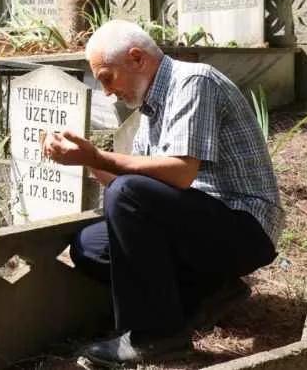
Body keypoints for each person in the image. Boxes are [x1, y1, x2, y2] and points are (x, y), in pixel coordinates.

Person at [42, 20, 283, 366]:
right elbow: (129, 192)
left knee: (127, 194)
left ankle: (153, 337)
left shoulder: (193, 82)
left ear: (137, 59)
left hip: (244, 227)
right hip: (198, 225)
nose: (108, 92)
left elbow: (180, 173)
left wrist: (97, 156)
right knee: (89, 247)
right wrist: (82, 160)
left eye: (107, 77)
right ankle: (211, 292)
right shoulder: (151, 107)